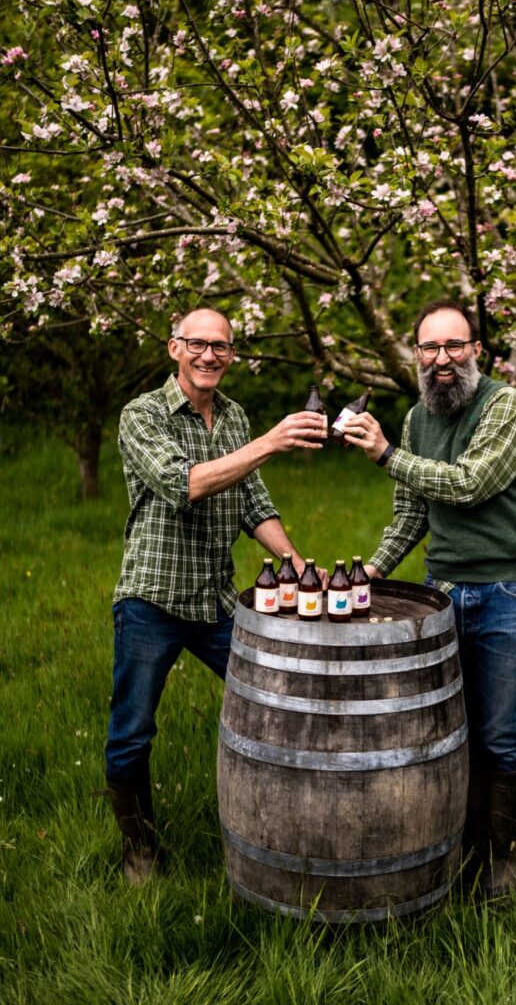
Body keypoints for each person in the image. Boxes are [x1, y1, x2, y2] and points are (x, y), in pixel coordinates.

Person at [105, 307, 328, 884]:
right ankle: (140, 848)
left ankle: (277, 828)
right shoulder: (142, 415)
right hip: (151, 600)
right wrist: (271, 442)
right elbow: (185, 485)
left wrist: (298, 565)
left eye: (221, 348)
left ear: (232, 356)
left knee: (274, 701)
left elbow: (252, 501)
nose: (210, 356)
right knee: (132, 732)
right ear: (174, 348)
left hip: (216, 601)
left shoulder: (233, 417)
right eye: (198, 345)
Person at [341, 299, 516, 902]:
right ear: (417, 354)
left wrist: (384, 454)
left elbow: (469, 484)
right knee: (446, 726)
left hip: (509, 588)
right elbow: (413, 512)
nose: (442, 360)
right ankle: (457, 843)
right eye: (429, 348)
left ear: (476, 351)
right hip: (442, 593)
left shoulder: (505, 406)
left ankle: (503, 860)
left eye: (454, 346)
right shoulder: (416, 420)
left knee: (500, 731)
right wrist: (372, 573)